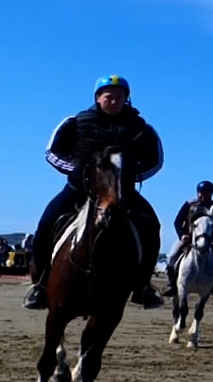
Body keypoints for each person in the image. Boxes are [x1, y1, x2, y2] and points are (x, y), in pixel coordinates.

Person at [22, 76, 165, 310]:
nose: (114, 101)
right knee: (46, 222)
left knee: (152, 225)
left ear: (126, 99)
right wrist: (81, 172)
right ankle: (39, 283)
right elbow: (52, 152)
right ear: (98, 97)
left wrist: (127, 177)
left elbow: (156, 160)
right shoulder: (75, 122)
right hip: (79, 188)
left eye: (119, 96)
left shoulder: (141, 128)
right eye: (109, 96)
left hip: (121, 193)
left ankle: (143, 287)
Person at [165, 180, 213, 297]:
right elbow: (177, 221)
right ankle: (171, 284)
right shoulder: (189, 204)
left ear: (211, 194)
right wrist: (182, 235)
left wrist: (209, 236)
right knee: (172, 257)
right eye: (201, 193)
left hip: (207, 238)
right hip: (187, 237)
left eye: (206, 193)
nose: (203, 195)